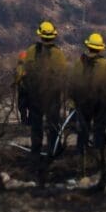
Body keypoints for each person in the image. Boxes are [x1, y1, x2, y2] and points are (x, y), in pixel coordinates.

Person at [15, 21, 68, 157]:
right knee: (53, 124)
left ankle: (35, 151)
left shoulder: (31, 51)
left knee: (36, 125)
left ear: (40, 35)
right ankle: (53, 150)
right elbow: (63, 74)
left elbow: (25, 71)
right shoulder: (58, 54)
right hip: (52, 95)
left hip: (35, 93)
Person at [70, 33, 106, 154]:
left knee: (83, 128)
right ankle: (97, 153)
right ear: (100, 48)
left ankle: (80, 152)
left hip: (82, 100)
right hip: (99, 101)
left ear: (88, 46)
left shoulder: (79, 63)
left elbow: (72, 82)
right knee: (99, 128)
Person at [15, 50, 31, 125]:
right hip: (29, 90)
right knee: (30, 106)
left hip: (22, 90)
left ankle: (24, 121)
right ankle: (29, 120)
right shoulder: (30, 66)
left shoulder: (19, 67)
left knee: (22, 107)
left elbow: (17, 77)